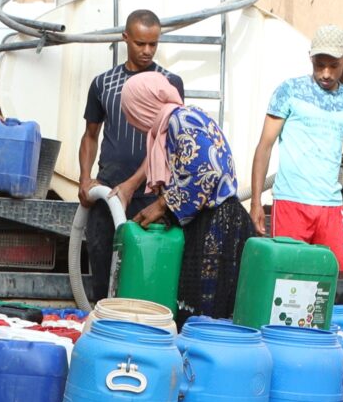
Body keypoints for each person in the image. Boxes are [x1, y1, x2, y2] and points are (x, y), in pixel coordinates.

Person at [107, 71, 253, 320]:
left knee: (203, 315)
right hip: (211, 222)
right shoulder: (177, 120)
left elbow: (208, 170)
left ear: (143, 103)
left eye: (130, 109)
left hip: (216, 227)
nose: (129, 118)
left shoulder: (179, 121)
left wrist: (163, 204)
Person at [77, 10, 186, 301]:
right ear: (125, 38)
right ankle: (103, 328)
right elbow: (90, 136)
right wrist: (85, 179)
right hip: (108, 191)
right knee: (103, 269)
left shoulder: (169, 82)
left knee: (146, 273)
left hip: (151, 193)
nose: (147, 51)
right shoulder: (104, 83)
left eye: (153, 44)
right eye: (140, 44)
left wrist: (134, 184)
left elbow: (166, 141)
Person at [251, 26, 343, 273]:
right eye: (319, 65)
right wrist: (255, 202)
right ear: (311, 58)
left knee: (327, 279)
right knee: (288, 278)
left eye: (333, 66)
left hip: (330, 206)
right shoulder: (289, 91)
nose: (326, 73)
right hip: (291, 203)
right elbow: (264, 147)